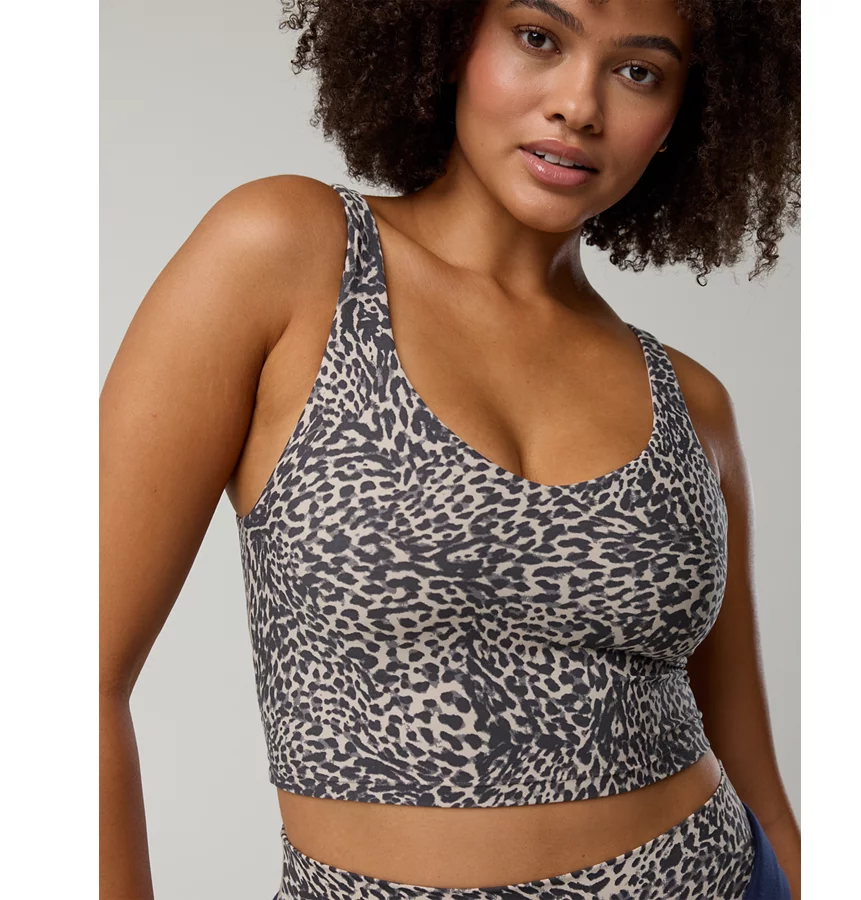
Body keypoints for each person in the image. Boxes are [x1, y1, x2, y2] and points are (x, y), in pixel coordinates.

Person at [99, 0, 801, 898]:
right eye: (538, 37)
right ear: (451, 37)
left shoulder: (694, 404)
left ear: (683, 116)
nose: (579, 106)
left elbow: (760, 788)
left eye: (639, 72)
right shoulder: (287, 257)